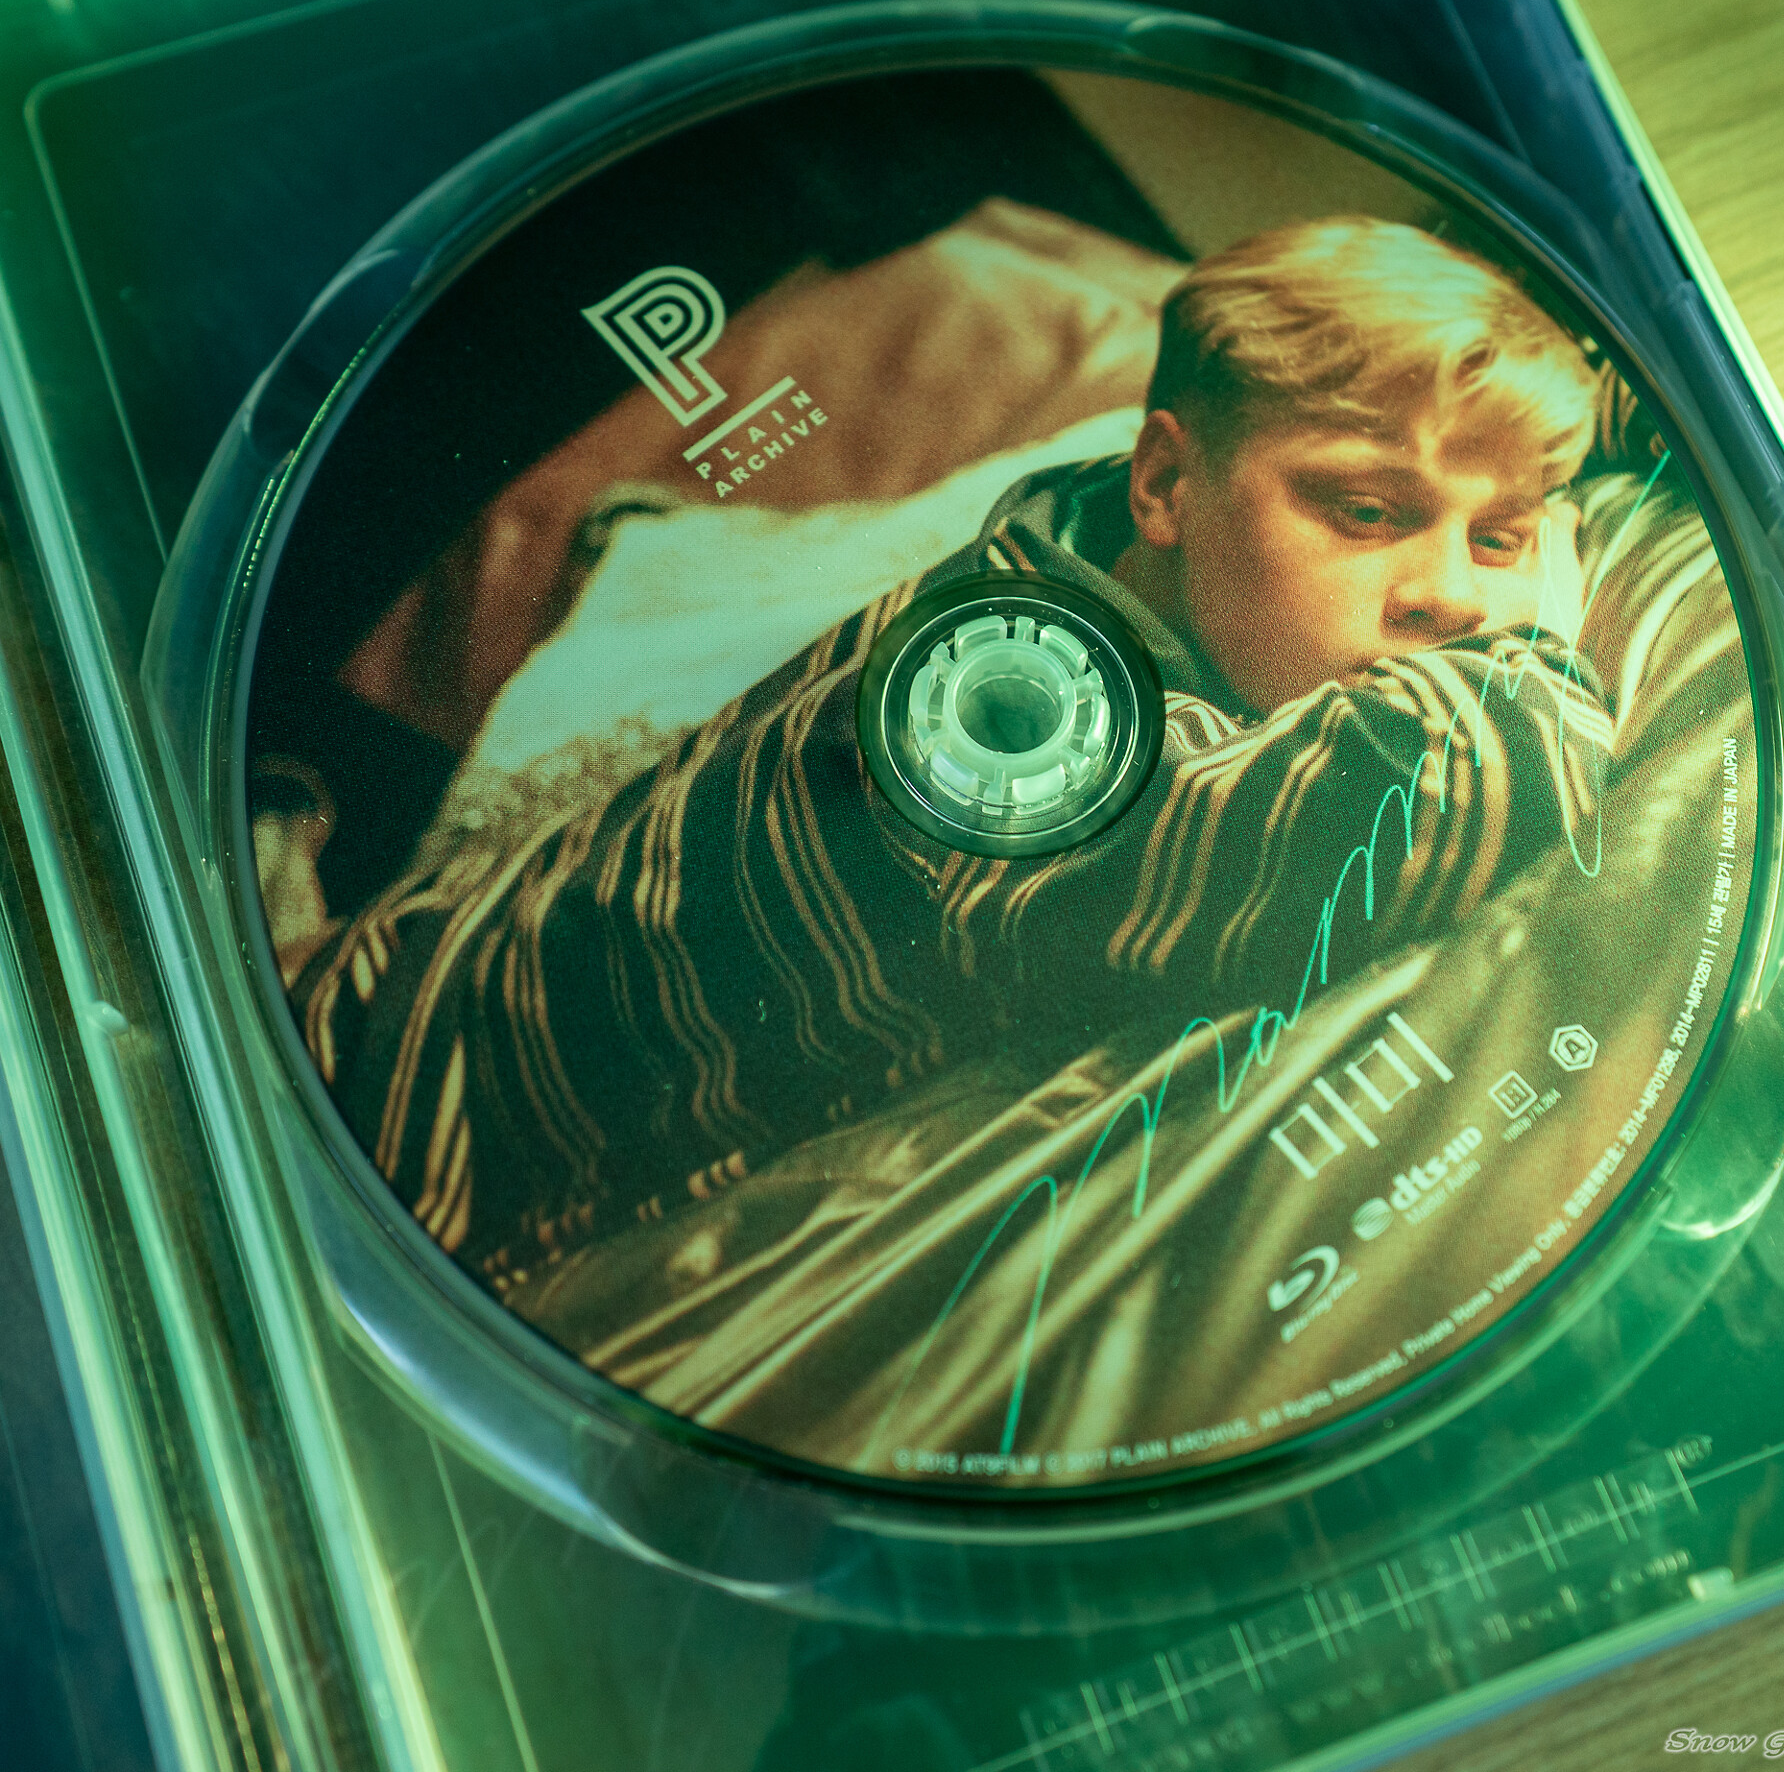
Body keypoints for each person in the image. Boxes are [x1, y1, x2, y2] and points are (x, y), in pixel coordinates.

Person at [293, 216, 1612, 1289]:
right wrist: (1536, 646)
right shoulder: (992, 714)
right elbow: (1386, 811)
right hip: (368, 1117)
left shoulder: (1088, 541)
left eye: (1499, 539)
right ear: (1163, 486)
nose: (1453, 597)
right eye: (1368, 511)